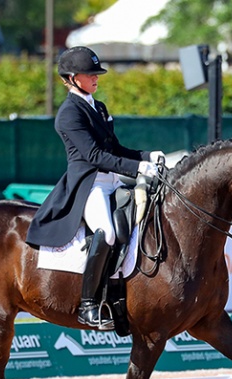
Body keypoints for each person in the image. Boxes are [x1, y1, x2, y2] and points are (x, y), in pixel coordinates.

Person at [26, 46, 165, 330]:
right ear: (72, 78)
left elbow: (115, 149)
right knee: (108, 232)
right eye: (89, 74)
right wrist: (138, 169)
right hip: (89, 185)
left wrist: (147, 156)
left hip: (113, 182)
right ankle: (88, 305)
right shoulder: (68, 114)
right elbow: (93, 156)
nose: (95, 78)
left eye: (96, 73)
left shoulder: (98, 107)